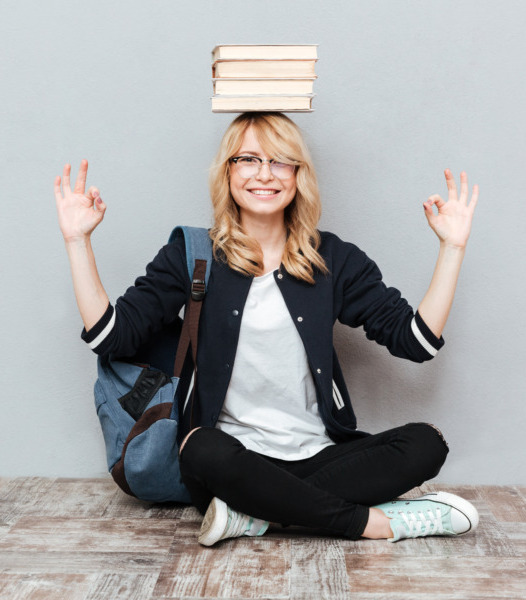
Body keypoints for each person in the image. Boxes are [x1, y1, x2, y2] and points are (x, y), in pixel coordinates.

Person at [55, 112, 480, 547]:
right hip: (231, 463)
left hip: (320, 457)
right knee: (201, 447)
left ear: (298, 174)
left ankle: (256, 516)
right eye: (248, 159)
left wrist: (452, 247)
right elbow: (111, 337)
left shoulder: (331, 258)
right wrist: (77, 242)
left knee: (427, 444)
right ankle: (372, 524)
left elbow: (416, 341)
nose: (264, 174)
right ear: (228, 171)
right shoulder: (193, 254)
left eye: (280, 161)